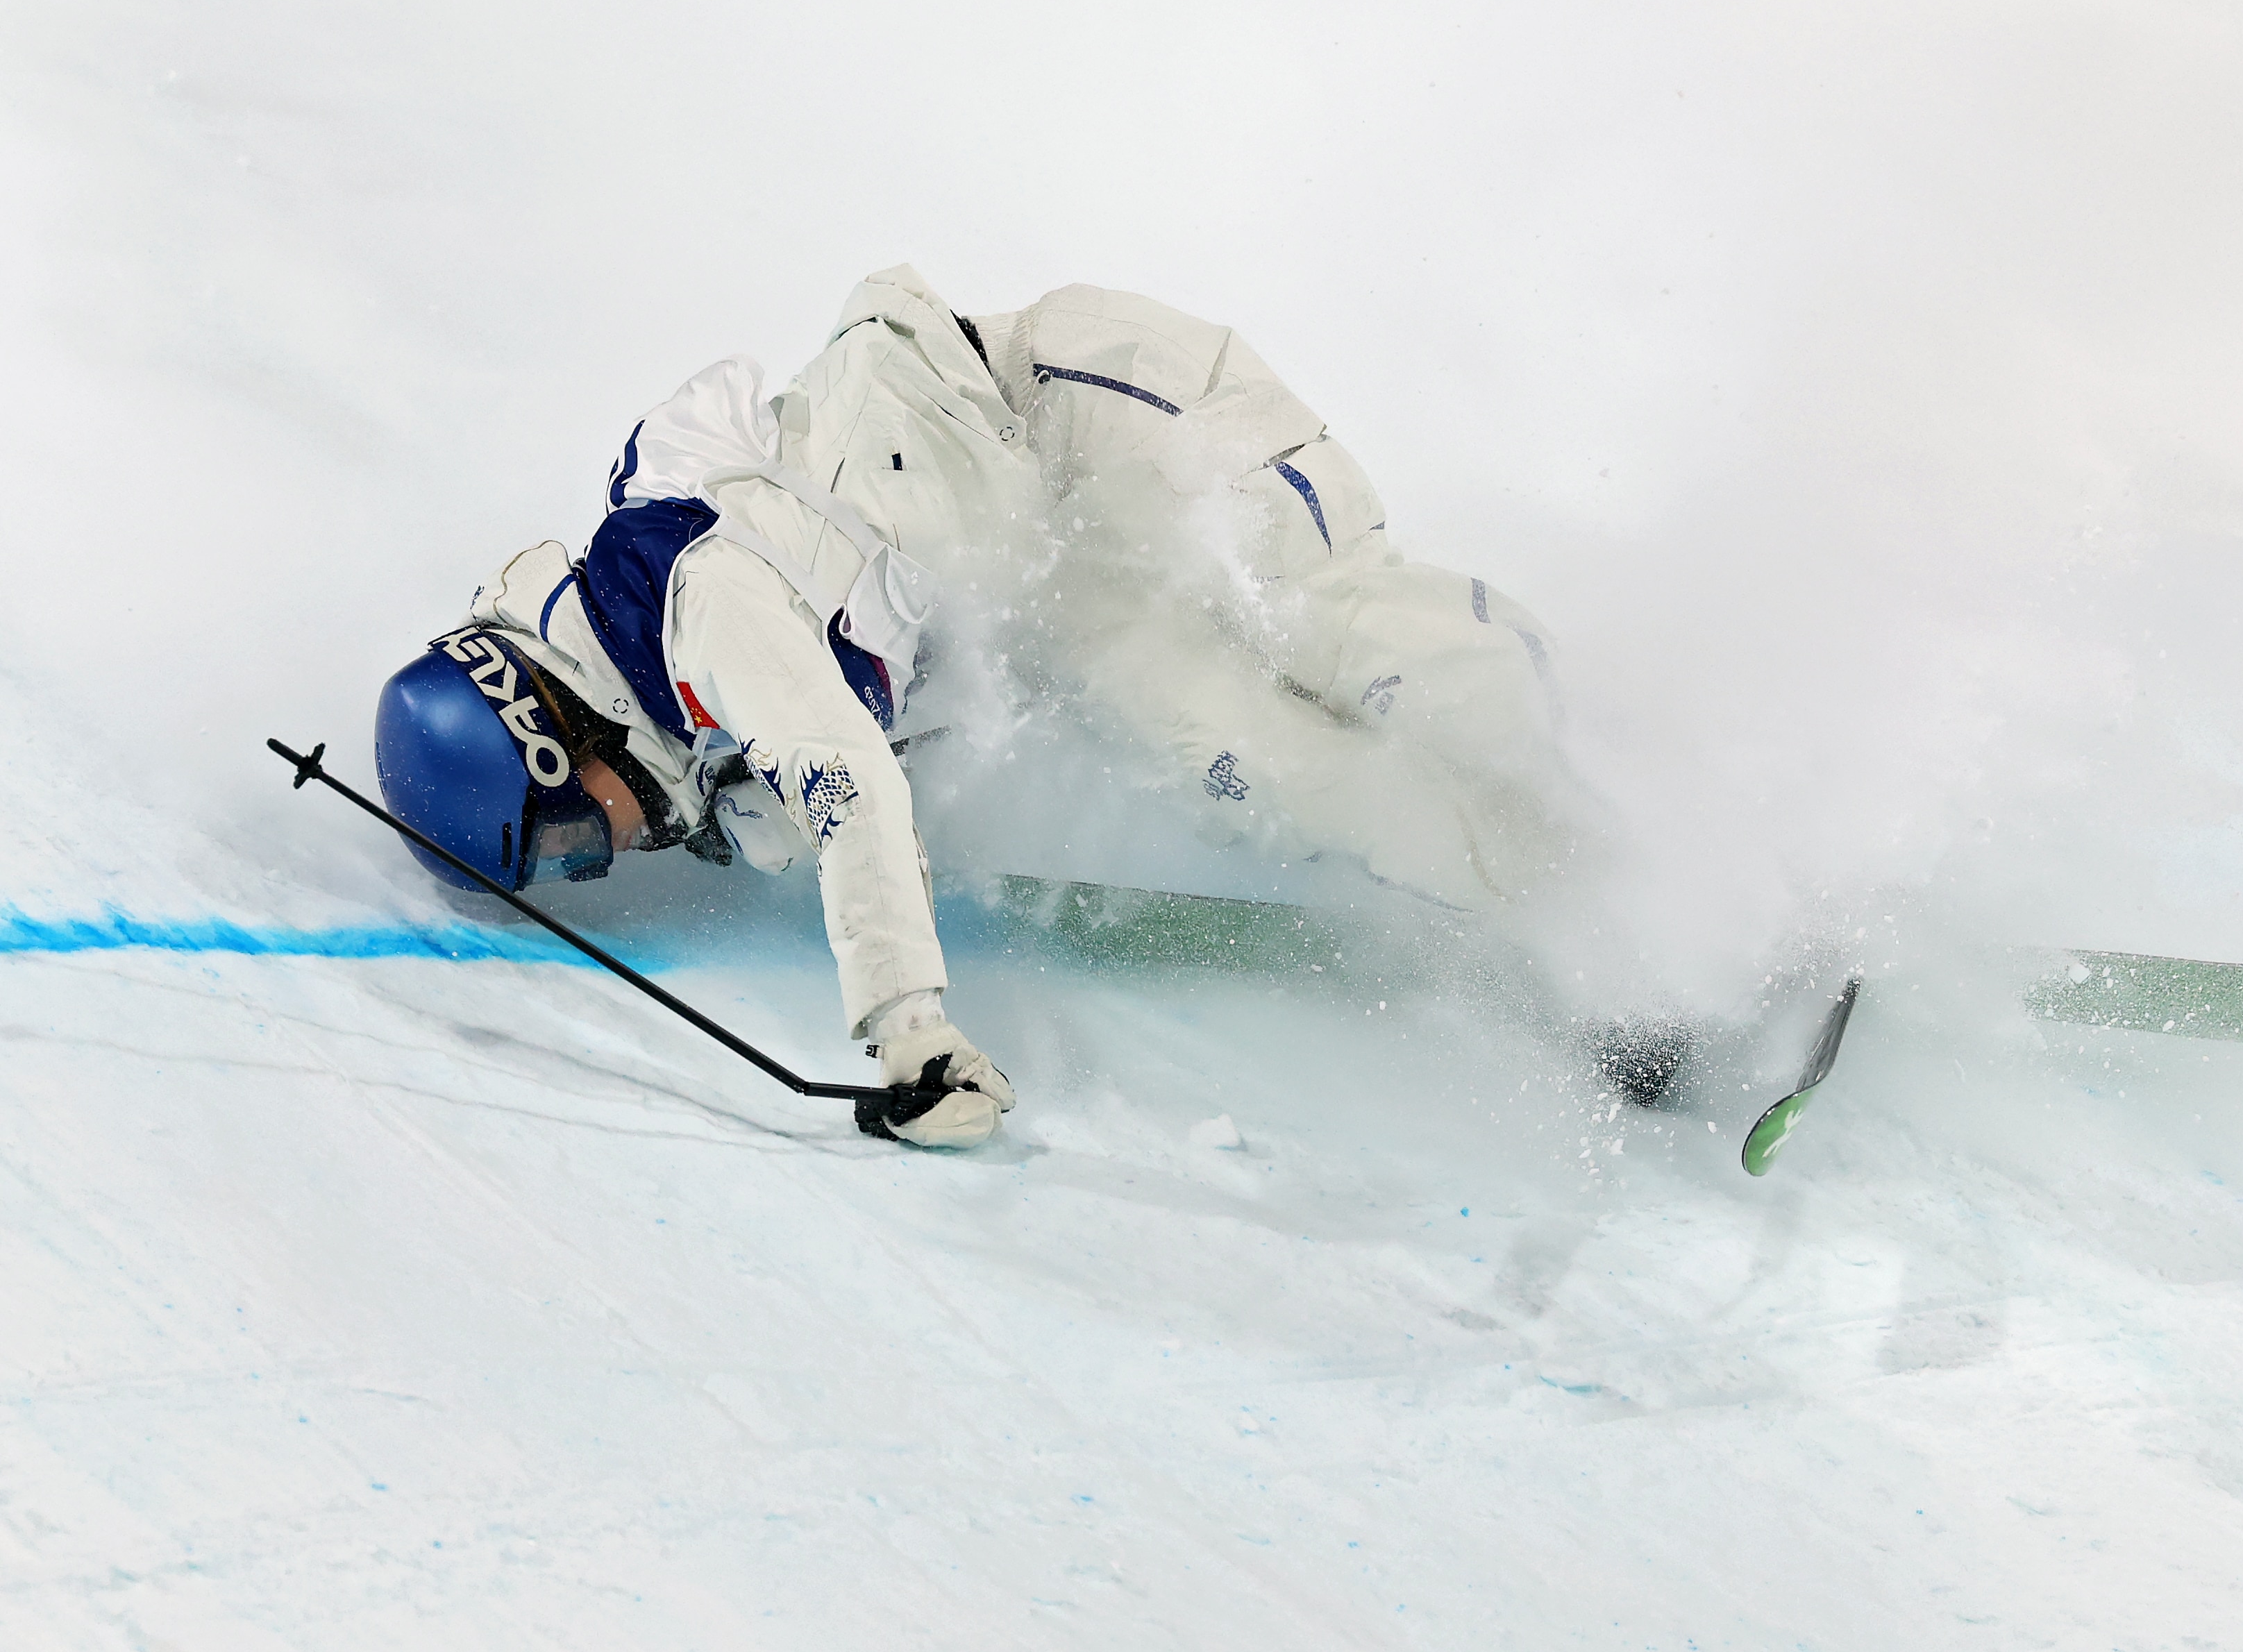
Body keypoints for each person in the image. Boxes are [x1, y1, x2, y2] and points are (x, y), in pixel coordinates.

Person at [373, 267, 1578, 1149]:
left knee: (1328, 618)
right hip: (1063, 567)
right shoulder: (693, 728)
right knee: (1258, 769)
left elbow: (848, 780)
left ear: (550, 721)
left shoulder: (687, 601)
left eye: (573, 837)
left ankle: (1625, 787)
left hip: (1088, 416)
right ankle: (1602, 926)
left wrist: (910, 1031)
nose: (609, 856)